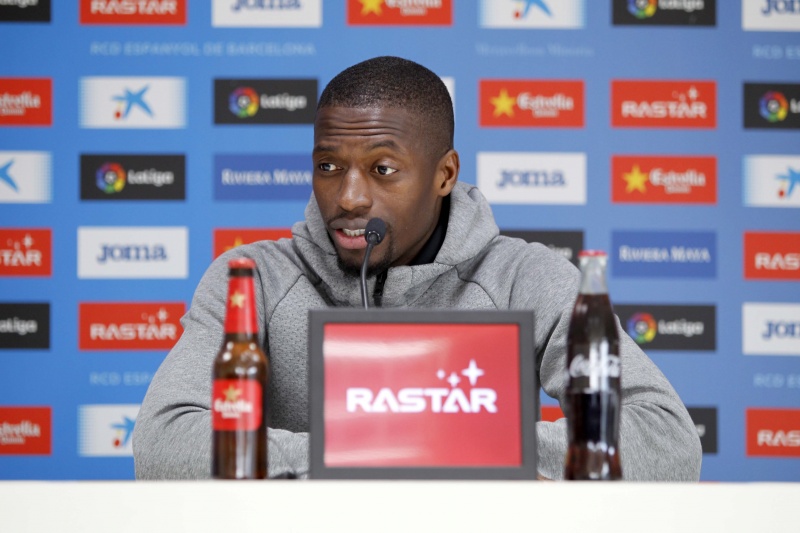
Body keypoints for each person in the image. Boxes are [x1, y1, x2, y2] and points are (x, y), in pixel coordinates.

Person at [132, 56, 702, 481]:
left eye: (382, 169)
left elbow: (665, 439)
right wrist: (388, 452)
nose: (349, 197)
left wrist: (441, 449)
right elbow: (163, 444)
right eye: (328, 166)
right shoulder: (252, 280)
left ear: (444, 174)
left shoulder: (527, 278)